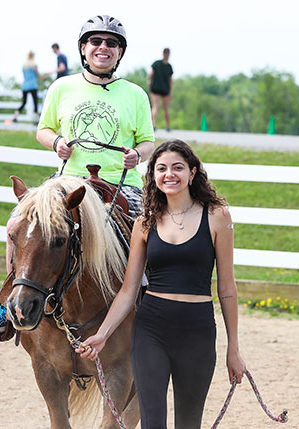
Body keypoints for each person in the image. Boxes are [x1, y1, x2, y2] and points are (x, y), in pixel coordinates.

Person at [0, 15, 155, 332]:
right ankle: (8, 306)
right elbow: (43, 130)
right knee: (18, 221)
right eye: (96, 41)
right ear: (84, 49)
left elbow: (149, 141)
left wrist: (136, 154)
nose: (104, 47)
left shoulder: (135, 94)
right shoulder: (62, 87)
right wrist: (57, 143)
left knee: (153, 232)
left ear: (119, 53)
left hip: (120, 184)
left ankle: (154, 308)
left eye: (111, 43)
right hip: (71, 182)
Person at [76, 139, 246, 428]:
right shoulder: (144, 222)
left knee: (188, 423)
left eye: (178, 168)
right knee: (152, 423)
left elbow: (227, 289)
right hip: (151, 331)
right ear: (153, 175)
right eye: (162, 168)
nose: (170, 174)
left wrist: (234, 349)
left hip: (198, 332)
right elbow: (129, 290)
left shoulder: (217, 216)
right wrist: (103, 335)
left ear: (192, 173)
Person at [148, 47, 173, 132]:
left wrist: (149, 83)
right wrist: (170, 91)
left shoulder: (156, 64)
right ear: (168, 54)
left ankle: (153, 125)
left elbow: (150, 74)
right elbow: (170, 80)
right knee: (165, 108)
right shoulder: (169, 66)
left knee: (155, 106)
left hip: (155, 88)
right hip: (165, 89)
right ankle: (168, 126)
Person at [13, 51, 39, 122]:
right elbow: (38, 76)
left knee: (24, 102)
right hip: (33, 86)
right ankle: (35, 120)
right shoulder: (34, 65)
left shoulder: (24, 65)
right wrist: (45, 77)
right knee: (35, 103)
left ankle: (15, 116)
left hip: (25, 86)